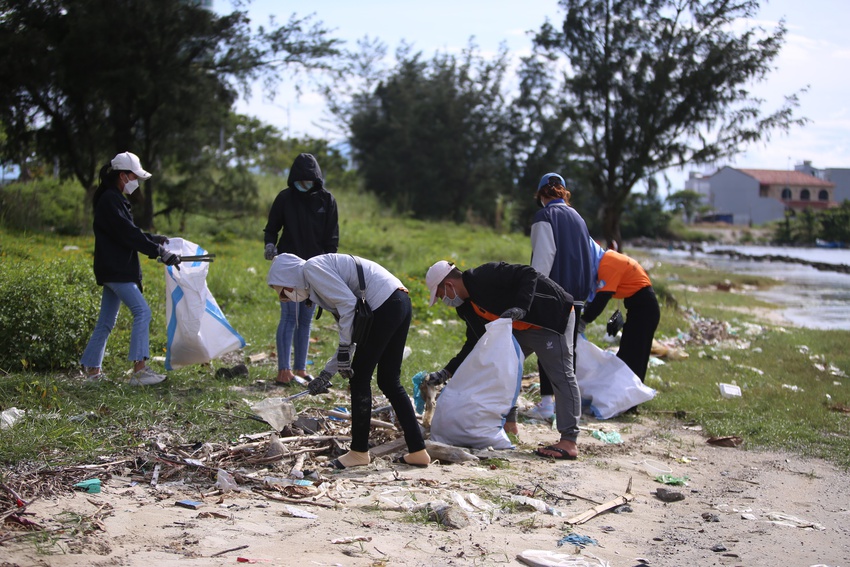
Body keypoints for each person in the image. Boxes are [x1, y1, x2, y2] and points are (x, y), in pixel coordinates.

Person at [267, 253, 430, 469]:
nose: (285, 299)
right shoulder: (318, 283)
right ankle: (418, 451)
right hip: (398, 301)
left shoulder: (311, 270)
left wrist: (343, 351)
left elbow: (349, 308)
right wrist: (327, 372)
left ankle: (359, 452)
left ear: (289, 279)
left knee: (360, 378)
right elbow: (354, 328)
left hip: (385, 305)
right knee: (389, 380)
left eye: (284, 293)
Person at [425, 260, 581, 460]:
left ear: (448, 285)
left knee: (561, 375)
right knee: (501, 369)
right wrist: (447, 372)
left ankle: (569, 441)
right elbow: (474, 343)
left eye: (440, 295)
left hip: (548, 318)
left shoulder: (484, 276)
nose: (444, 300)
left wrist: (521, 307)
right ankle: (509, 426)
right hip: (520, 327)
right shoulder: (466, 308)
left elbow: (528, 273)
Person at [80, 151, 181, 386]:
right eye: (135, 177)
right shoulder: (111, 200)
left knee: (106, 320)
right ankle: (139, 370)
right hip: (116, 269)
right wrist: (158, 251)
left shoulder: (113, 199)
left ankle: (93, 372)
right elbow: (127, 233)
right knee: (142, 312)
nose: (137, 183)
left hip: (113, 268)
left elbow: (126, 232)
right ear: (123, 176)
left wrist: (153, 239)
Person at [263, 153, 339, 385]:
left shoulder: (327, 201)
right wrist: (269, 244)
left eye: (309, 179)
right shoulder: (285, 198)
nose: (304, 184)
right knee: (288, 317)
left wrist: (329, 266)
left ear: (316, 178)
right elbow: (271, 228)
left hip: (316, 268)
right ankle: (283, 370)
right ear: (294, 178)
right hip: (288, 266)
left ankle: (301, 369)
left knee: (305, 319)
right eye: (300, 179)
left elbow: (332, 237)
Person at [528, 172, 596, 421]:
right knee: (569, 353)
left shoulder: (545, 216)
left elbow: (543, 258)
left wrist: (532, 293)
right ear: (564, 192)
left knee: (547, 347)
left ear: (541, 195)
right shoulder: (579, 218)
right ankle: (569, 410)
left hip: (553, 294)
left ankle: (547, 404)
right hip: (578, 295)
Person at [580, 244, 660, 383]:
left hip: (644, 310)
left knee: (634, 359)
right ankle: (623, 396)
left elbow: (602, 298)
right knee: (626, 354)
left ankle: (629, 400)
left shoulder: (608, 264)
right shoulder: (607, 260)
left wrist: (583, 321)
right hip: (638, 308)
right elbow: (594, 297)